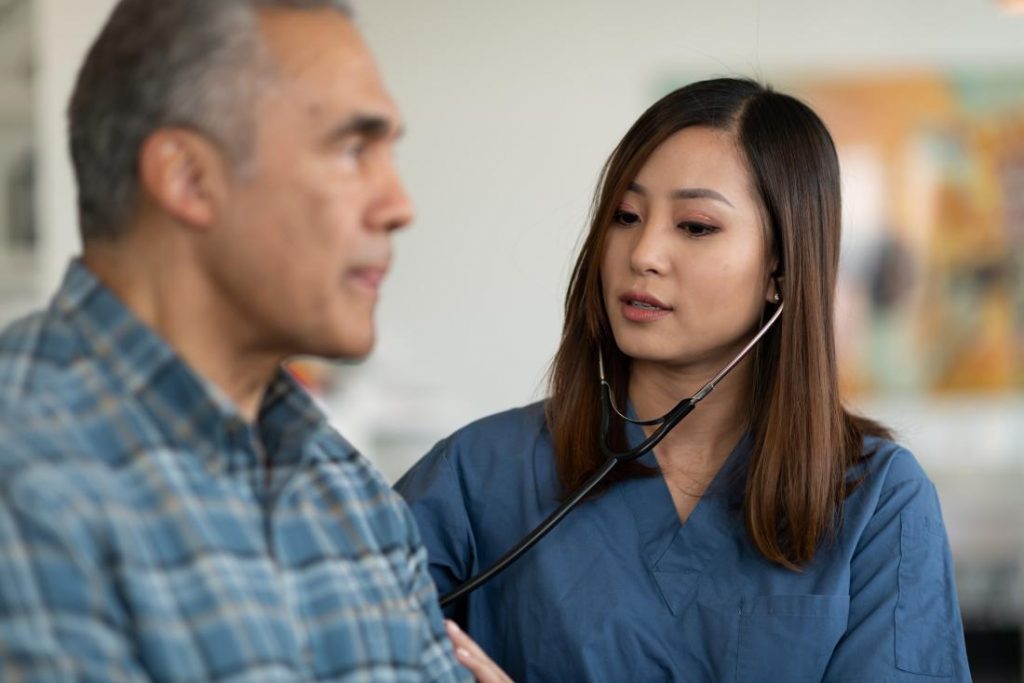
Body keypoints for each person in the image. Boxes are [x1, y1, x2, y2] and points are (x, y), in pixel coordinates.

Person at [397, 78, 972, 681]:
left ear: (782, 266)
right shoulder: (479, 474)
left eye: (695, 226)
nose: (642, 252)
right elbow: (328, 642)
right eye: (625, 215)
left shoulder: (877, 501)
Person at [0, 0, 508, 680]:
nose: (399, 204)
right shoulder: (25, 476)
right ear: (189, 178)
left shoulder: (353, 498)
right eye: (354, 148)